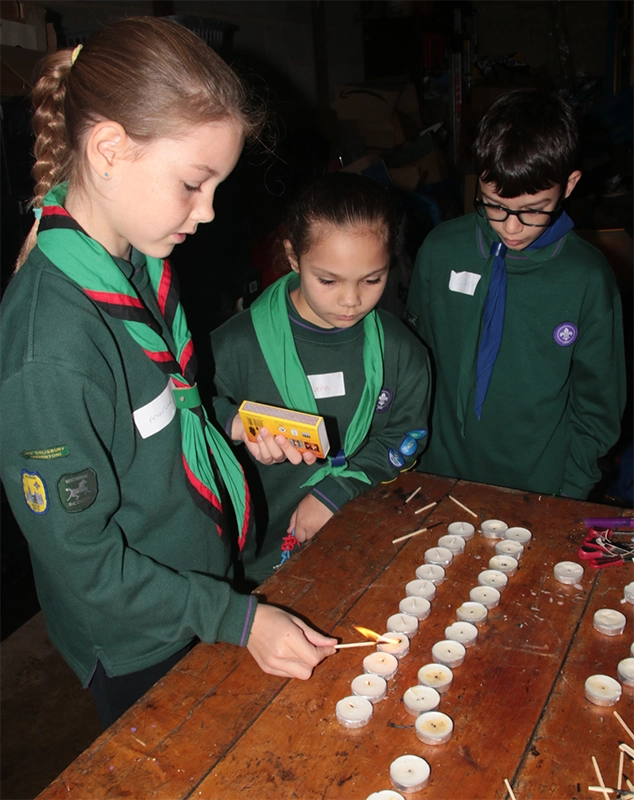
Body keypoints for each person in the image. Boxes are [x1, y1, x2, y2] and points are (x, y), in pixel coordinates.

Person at [0, 17, 336, 729]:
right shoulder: (51, 346)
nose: (208, 212)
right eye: (193, 184)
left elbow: (164, 412)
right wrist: (237, 620)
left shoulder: (139, 262)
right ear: (110, 150)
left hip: (201, 584)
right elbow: (84, 563)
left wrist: (237, 430)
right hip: (137, 638)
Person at [210, 172, 431, 584]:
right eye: (328, 280)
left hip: (362, 547)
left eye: (373, 279)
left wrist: (336, 492)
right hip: (253, 563)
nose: (351, 300)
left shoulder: (401, 352)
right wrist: (234, 424)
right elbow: (192, 409)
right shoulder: (236, 345)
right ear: (294, 257)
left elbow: (403, 436)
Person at [404, 89, 626, 499]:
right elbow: (413, 362)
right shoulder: (440, 250)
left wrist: (570, 494)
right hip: (439, 475)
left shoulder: (588, 279)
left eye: (534, 209)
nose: (511, 227)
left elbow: (598, 408)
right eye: (494, 205)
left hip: (542, 490)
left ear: (570, 184)